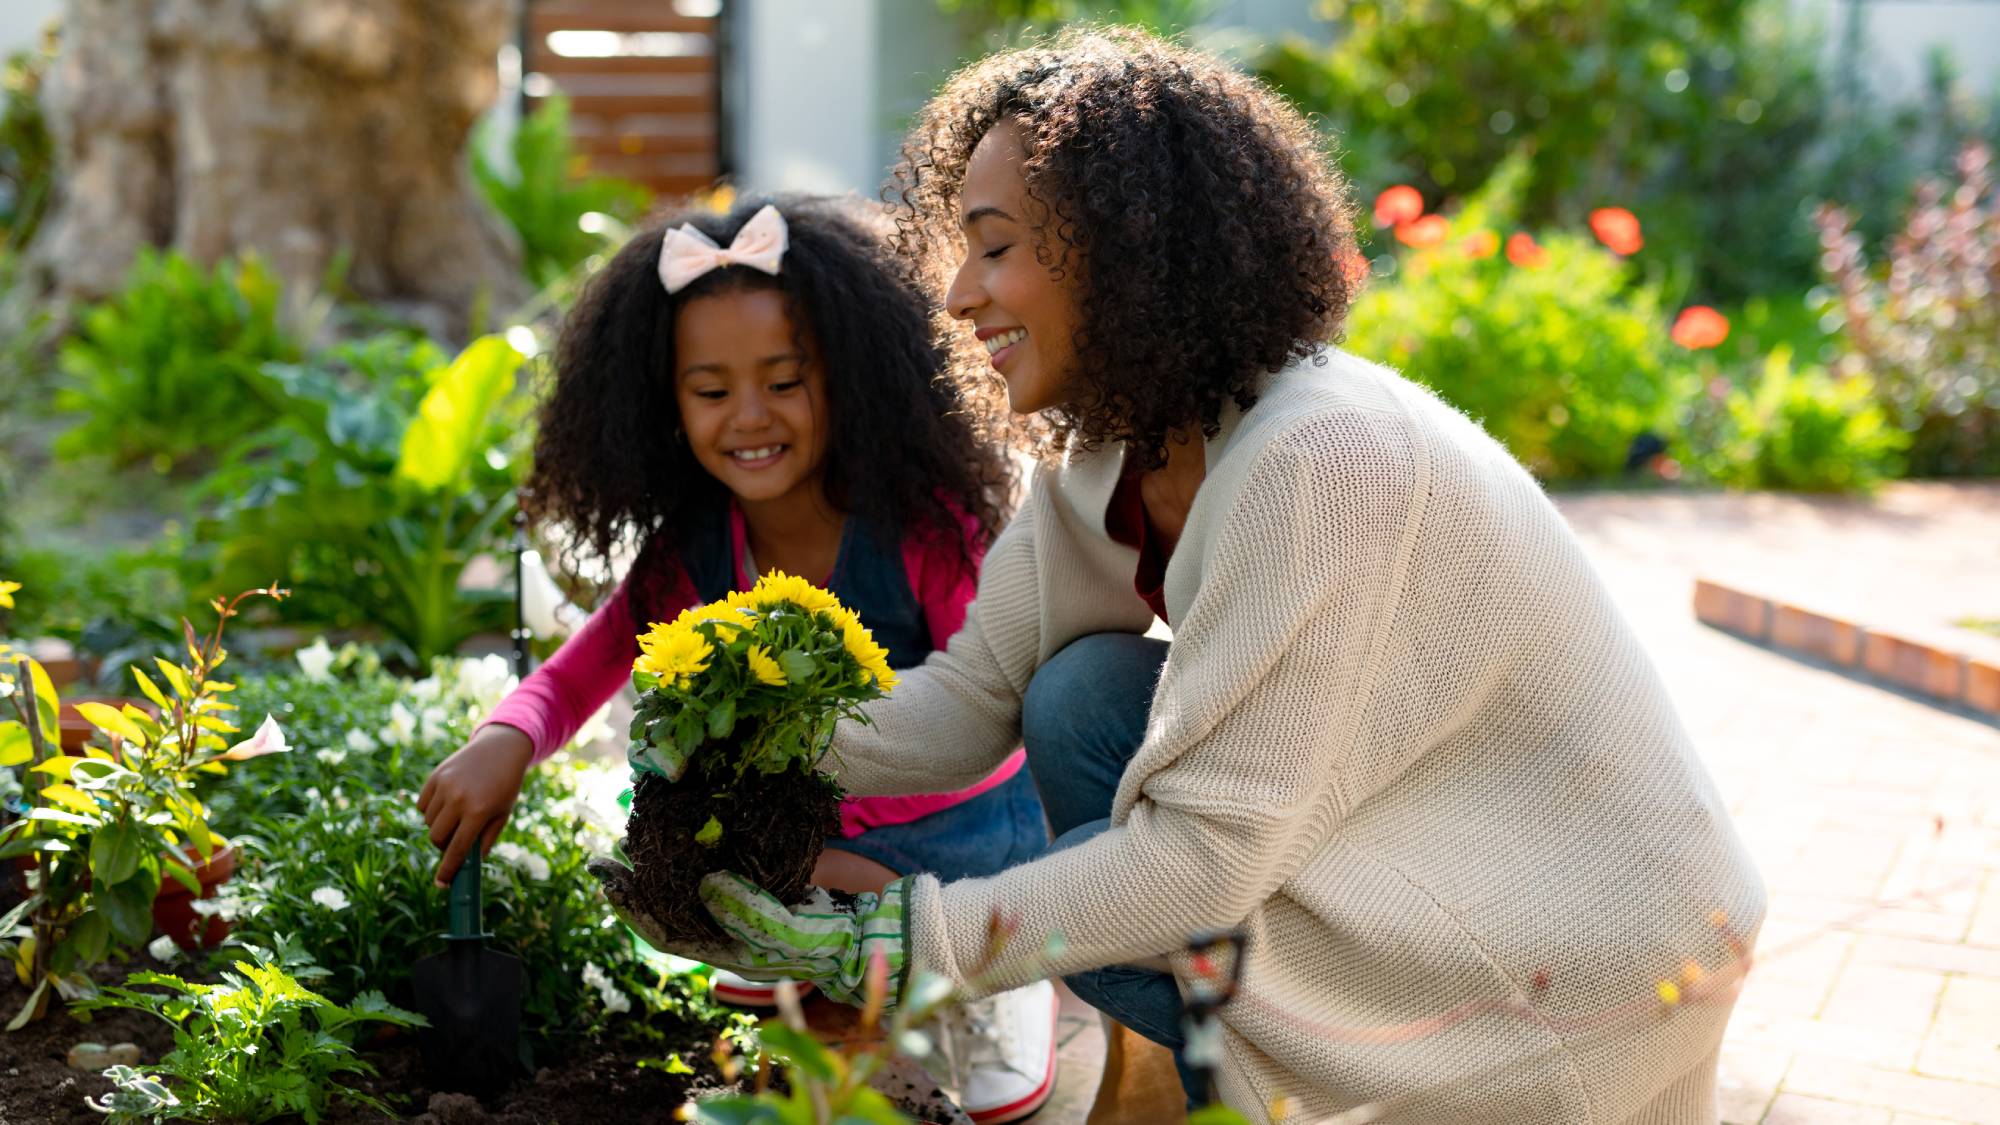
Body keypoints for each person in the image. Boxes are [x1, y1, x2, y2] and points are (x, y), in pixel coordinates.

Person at [600, 29, 1768, 1124]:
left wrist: (905, 939)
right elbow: (962, 709)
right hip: (1410, 861)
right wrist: (741, 727)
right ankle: (1188, 1086)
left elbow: (1201, 867)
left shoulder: (1320, 459)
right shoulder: (1108, 453)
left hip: (1580, 957)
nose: (956, 295)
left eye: (994, 247)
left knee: (1119, 832)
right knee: (1084, 696)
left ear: (1122, 251)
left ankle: (1210, 1088)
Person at [418, 196, 1060, 1124]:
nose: (749, 417)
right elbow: (579, 670)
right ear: (665, 406)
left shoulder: (922, 530)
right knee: (690, 866)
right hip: (812, 849)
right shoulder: (693, 545)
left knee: (836, 907)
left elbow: (1002, 720)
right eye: (712, 391)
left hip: (953, 841)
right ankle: (841, 997)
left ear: (849, 379)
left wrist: (835, 833)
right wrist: (504, 738)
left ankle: (990, 985)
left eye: (785, 381)